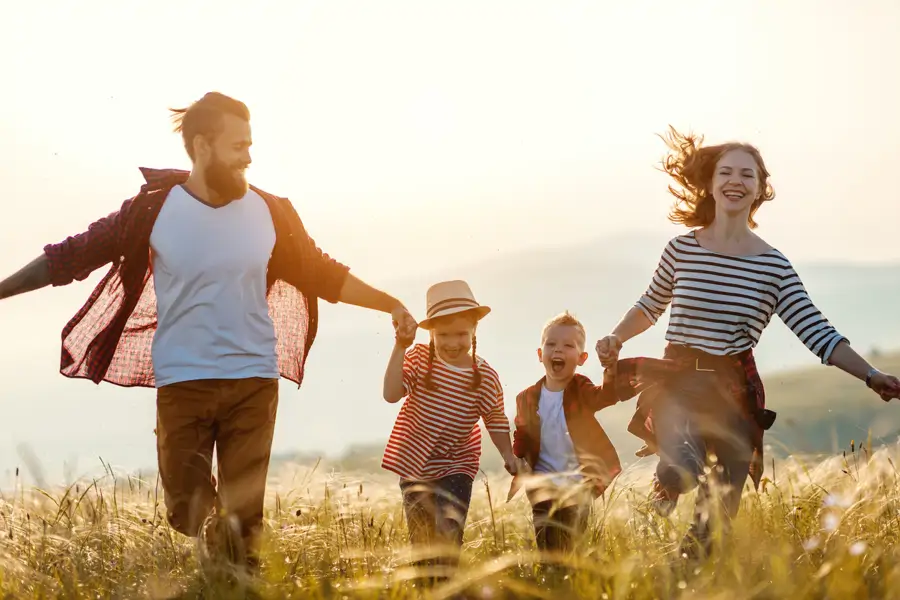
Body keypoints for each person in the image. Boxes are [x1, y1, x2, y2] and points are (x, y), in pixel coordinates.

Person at [0, 92, 418, 569]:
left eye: (250, 145)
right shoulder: (152, 212)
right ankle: (220, 553)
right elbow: (68, 256)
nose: (249, 157)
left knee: (244, 521)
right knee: (186, 508)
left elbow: (321, 272)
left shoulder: (270, 212)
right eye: (238, 146)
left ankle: (234, 577)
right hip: (183, 379)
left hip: (253, 380)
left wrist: (389, 302)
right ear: (202, 146)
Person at [594, 127, 900, 559]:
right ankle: (667, 483)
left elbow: (817, 331)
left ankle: (684, 575)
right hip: (677, 383)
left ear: (760, 189)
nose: (735, 181)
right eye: (726, 172)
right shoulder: (682, 250)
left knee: (717, 515)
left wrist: (870, 375)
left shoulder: (773, 266)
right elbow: (650, 305)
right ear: (711, 183)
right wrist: (616, 337)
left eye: (747, 175)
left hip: (733, 390)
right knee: (682, 465)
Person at [382, 280, 516, 573]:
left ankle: (449, 588)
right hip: (415, 465)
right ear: (430, 333)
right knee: (422, 542)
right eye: (443, 335)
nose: (453, 342)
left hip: (457, 464)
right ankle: (428, 589)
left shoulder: (484, 377)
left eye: (461, 334)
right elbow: (391, 394)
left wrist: (508, 455)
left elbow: (495, 418)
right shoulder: (418, 360)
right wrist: (399, 347)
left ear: (474, 331)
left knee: (448, 534)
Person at [511, 311, 622, 554]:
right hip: (541, 482)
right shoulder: (527, 398)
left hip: (578, 484)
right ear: (540, 355)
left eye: (568, 345)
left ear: (582, 358)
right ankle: (551, 580)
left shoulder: (581, 389)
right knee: (548, 545)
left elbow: (606, 396)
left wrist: (610, 368)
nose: (558, 350)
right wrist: (517, 457)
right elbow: (522, 432)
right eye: (551, 344)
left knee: (573, 545)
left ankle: (573, 581)